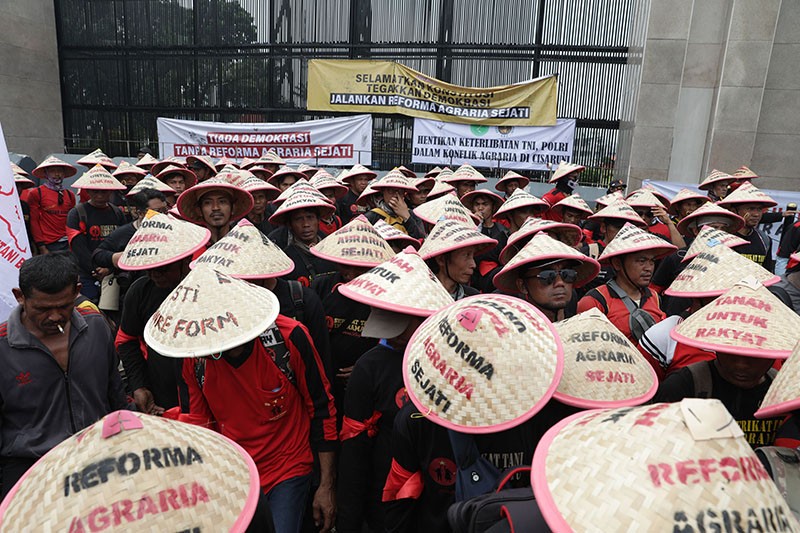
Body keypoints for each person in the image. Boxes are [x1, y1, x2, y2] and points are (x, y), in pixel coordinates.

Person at [151, 266, 337, 533]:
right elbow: (199, 425)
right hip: (233, 474)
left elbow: (322, 408)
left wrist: (326, 485)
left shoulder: (288, 338)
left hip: (288, 467)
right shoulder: (193, 357)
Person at [335, 249, 453, 533]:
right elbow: (354, 450)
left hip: (440, 499)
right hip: (385, 499)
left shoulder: (448, 360)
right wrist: (349, 520)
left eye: (403, 319)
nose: (395, 330)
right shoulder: (369, 366)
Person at [0, 253, 128, 495]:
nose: (55, 316)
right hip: (32, 471)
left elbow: (115, 394)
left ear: (77, 291)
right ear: (20, 297)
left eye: (64, 306)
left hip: (99, 457)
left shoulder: (96, 327)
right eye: (43, 309)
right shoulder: (3, 347)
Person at [655, 279, 800, 447]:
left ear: (773, 354)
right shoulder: (684, 386)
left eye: (753, 356)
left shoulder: (784, 395)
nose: (741, 365)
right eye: (732, 353)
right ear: (716, 347)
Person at [115, 210, 211, 414]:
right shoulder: (140, 291)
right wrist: (139, 385)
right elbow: (126, 340)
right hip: (161, 397)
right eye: (150, 269)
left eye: (163, 269)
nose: (155, 275)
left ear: (185, 261)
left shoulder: (207, 288)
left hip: (208, 394)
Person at [308, 216, 396, 417]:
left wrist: (364, 367)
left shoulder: (386, 292)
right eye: (345, 265)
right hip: (326, 379)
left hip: (369, 380)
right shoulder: (321, 286)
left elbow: (393, 339)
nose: (350, 273)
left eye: (359, 267)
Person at [578, 223, 676, 347]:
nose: (649, 268)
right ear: (618, 264)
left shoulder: (654, 297)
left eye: (652, 261)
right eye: (641, 261)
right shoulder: (594, 302)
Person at [494, 232, 600, 322]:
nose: (560, 283)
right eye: (547, 276)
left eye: (567, 274)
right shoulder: (508, 318)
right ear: (523, 286)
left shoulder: (572, 301)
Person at [92, 188, 169, 312]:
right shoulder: (124, 233)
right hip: (133, 295)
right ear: (140, 213)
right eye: (156, 212)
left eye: (165, 210)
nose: (162, 216)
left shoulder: (173, 230)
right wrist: (117, 258)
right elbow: (98, 255)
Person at [65, 165, 128, 302]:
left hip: (112, 272)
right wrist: (96, 269)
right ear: (88, 191)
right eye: (95, 191)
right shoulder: (76, 213)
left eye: (104, 191)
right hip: (86, 272)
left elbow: (123, 243)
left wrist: (109, 268)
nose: (99, 195)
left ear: (111, 191)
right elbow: (78, 247)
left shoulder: (117, 213)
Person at [268, 186, 338, 286]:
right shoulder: (285, 260)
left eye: (310, 218)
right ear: (290, 225)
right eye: (298, 219)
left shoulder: (333, 249)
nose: (305, 224)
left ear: (318, 220)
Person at [419, 218, 497, 299]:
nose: (473, 264)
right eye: (466, 255)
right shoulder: (420, 296)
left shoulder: (473, 298)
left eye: (472, 256)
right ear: (441, 259)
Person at [718, 181, 777, 272]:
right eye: (750, 209)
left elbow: (767, 272)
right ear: (734, 211)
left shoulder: (765, 240)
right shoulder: (722, 237)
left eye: (759, 209)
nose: (756, 214)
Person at [177, 176, 254, 244]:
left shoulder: (245, 244)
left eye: (222, 202)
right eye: (208, 203)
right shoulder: (193, 246)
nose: (215, 208)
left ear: (233, 208)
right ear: (199, 211)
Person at [27, 156, 78, 254]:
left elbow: (72, 220)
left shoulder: (70, 195)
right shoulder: (36, 193)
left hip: (68, 243)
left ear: (64, 174)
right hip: (48, 244)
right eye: (52, 171)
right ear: (46, 174)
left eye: (60, 171)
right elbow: (34, 221)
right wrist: (41, 246)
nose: (57, 174)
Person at [461, 189, 508, 292]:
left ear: (493, 207)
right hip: (471, 277)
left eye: (485, 204)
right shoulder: (467, 229)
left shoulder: (502, 231)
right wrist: (476, 225)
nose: (480, 208)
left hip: (493, 280)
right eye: (477, 204)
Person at [364, 169, 426, 239]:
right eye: (391, 190)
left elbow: (421, 240)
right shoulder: (372, 216)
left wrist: (406, 217)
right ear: (383, 191)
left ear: (404, 194)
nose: (396, 195)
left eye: (400, 191)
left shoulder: (413, 215)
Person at [309, 170, 347, 235]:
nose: (329, 200)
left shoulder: (337, 220)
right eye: (325, 196)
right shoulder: (311, 222)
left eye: (331, 196)